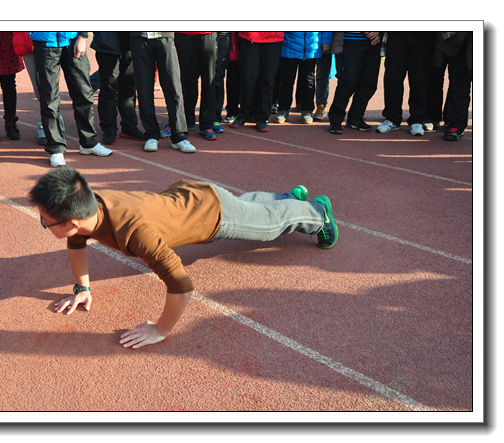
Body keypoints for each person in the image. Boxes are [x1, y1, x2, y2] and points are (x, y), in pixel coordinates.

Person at [29, 167, 338, 349]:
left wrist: (160, 330)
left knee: (270, 226)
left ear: (71, 221)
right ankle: (287, 199)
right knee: (252, 210)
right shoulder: (89, 205)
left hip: (213, 214)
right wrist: (82, 289)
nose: (43, 223)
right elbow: (77, 241)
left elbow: (181, 286)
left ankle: (316, 212)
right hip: (189, 196)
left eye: (45, 220)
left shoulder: (137, 233)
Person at [30, 32, 112, 168]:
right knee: (49, 98)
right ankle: (55, 148)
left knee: (84, 93)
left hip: (73, 41)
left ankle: (88, 142)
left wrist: (83, 36)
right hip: (45, 43)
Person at [129, 32, 196, 153]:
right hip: (139, 38)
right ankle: (151, 135)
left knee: (173, 88)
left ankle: (179, 136)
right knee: (144, 90)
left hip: (165, 36)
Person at [376, 31, 437, 136]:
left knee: (419, 81)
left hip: (423, 37)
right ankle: (392, 118)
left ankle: (417, 120)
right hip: (396, 37)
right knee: (392, 79)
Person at [90, 32, 145, 146]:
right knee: (109, 88)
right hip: (107, 44)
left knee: (129, 87)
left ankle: (129, 126)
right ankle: (109, 128)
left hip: (130, 44)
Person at [12, 32, 65, 146]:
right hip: (28, 41)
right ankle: (48, 124)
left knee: (53, 85)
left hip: (57, 38)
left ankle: (51, 124)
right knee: (40, 87)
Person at [327, 32, 382, 134]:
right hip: (351, 40)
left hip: (374, 42)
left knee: (369, 83)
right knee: (348, 82)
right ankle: (336, 119)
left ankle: (355, 118)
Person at [274, 32, 332, 125]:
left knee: (308, 81)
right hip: (289, 44)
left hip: (311, 47)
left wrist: (326, 40)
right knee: (287, 80)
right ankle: (283, 110)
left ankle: (307, 110)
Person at [231, 32, 284, 132]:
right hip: (248, 37)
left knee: (267, 79)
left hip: (273, 38)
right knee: (248, 78)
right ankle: (244, 114)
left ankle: (262, 118)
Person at [429, 32, 473, 141]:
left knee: (460, 83)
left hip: (466, 39)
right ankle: (432, 116)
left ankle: (457, 123)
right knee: (433, 77)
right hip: (440, 36)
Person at [175, 32, 218, 141]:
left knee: (209, 80)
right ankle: (184, 120)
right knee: (184, 79)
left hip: (207, 32)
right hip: (182, 33)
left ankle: (207, 124)